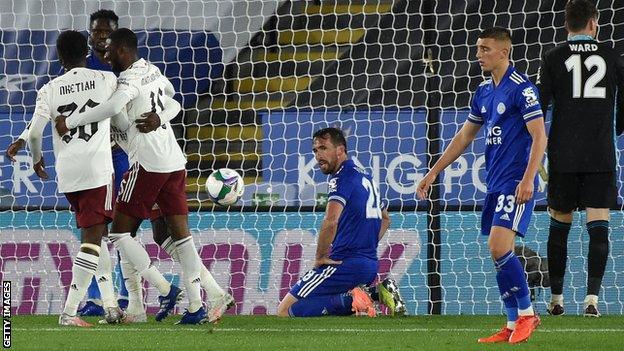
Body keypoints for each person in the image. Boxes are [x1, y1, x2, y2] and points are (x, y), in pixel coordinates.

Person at [56, 28, 233, 324]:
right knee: (178, 236)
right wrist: (158, 117)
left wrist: (71, 121)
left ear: (123, 51)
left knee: (120, 232)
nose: (105, 55)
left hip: (148, 164)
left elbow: (114, 108)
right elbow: (173, 101)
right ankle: (198, 303)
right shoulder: (151, 69)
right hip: (174, 160)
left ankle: (164, 290)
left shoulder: (126, 81)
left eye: (109, 50)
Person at [417, 28, 546, 344]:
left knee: (499, 247)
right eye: (477, 48)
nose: (478, 54)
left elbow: (540, 136)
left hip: (516, 182)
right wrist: (433, 172)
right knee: (497, 252)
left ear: (504, 52)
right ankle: (512, 323)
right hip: (495, 183)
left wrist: (528, 179)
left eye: (485, 49)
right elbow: (464, 137)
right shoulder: (484, 92)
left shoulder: (522, 89)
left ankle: (528, 315)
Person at [27, 30, 125, 326]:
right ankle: (69, 312)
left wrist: (36, 159)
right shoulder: (106, 79)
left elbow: (34, 133)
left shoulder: (50, 88)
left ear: (59, 58)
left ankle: (109, 303)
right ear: (87, 52)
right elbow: (118, 113)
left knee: (96, 235)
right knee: (94, 241)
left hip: (67, 174)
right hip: (97, 170)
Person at [537, 0, 624, 317]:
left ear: (566, 25)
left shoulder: (554, 57)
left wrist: (538, 146)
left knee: (559, 224)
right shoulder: (611, 56)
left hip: (563, 154)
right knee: (598, 224)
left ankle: (557, 300)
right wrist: (614, 130)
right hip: (599, 153)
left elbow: (540, 105)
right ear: (593, 24)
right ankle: (591, 301)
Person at [276, 127, 405, 318]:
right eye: (315, 150)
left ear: (340, 150)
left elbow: (331, 220)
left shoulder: (341, 178)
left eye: (323, 148)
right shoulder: (366, 177)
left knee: (284, 311)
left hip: (343, 264)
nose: (318, 155)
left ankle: (363, 297)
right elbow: (386, 219)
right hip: (369, 265)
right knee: (321, 306)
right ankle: (375, 292)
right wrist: (365, 246)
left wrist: (320, 257)